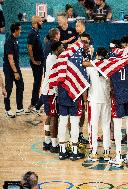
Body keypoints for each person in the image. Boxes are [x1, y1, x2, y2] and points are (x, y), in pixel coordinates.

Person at [57, 33, 91, 161]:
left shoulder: (62, 57)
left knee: (63, 122)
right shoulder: (79, 61)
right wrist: (85, 99)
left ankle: (62, 151)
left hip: (62, 93)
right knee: (75, 122)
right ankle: (74, 152)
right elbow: (82, 81)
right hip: (74, 95)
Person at [82, 47, 111, 161]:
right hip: (106, 100)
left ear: (97, 54)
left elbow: (83, 65)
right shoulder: (109, 66)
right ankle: (107, 152)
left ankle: (93, 152)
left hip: (93, 100)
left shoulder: (91, 66)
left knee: (93, 126)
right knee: (106, 126)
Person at [42, 41, 64, 153]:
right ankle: (54, 144)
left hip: (46, 91)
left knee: (49, 116)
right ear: (57, 49)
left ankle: (47, 141)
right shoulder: (54, 60)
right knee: (54, 117)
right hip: (51, 92)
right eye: (62, 47)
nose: (63, 48)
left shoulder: (50, 57)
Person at [3, 22, 26, 118]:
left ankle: (19, 108)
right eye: (19, 29)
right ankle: (7, 109)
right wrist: (15, 72)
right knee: (8, 88)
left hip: (15, 67)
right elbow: (10, 58)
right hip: (9, 69)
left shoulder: (15, 40)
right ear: (16, 30)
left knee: (20, 85)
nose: (21, 31)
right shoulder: (9, 41)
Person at [27, 16, 45, 112]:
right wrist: (33, 60)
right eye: (40, 21)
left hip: (39, 61)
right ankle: (34, 104)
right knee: (37, 82)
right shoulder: (32, 33)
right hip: (36, 62)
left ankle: (35, 102)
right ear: (36, 22)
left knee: (38, 82)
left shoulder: (36, 32)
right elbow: (29, 47)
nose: (42, 23)